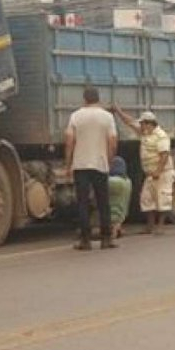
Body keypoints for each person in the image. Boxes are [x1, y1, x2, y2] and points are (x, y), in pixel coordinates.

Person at [65, 87, 118, 251]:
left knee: (83, 203)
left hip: (80, 165)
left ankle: (85, 240)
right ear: (98, 99)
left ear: (84, 99)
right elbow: (113, 141)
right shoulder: (107, 117)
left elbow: (69, 141)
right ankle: (106, 239)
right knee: (103, 202)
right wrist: (108, 161)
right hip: (100, 164)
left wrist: (68, 164)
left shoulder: (75, 116)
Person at [112, 106, 175, 234]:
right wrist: (119, 111)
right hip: (150, 173)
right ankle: (150, 226)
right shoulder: (145, 133)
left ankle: (160, 227)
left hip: (162, 172)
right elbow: (130, 122)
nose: (141, 126)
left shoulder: (161, 136)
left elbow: (164, 155)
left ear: (149, 123)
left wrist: (158, 171)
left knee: (162, 200)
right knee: (147, 200)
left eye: (143, 124)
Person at [108, 156, 132, 239]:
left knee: (111, 205)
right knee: (120, 205)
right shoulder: (128, 181)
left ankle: (113, 231)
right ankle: (116, 229)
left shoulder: (108, 180)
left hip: (110, 181)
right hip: (123, 182)